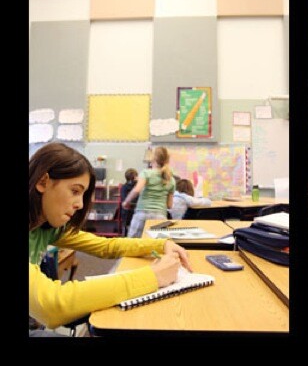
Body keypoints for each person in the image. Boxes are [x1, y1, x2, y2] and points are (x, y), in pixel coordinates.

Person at [29, 142, 191, 336]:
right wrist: (154, 276)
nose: (80, 204)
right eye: (74, 191)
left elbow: (105, 246)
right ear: (42, 182)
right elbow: (53, 306)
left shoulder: (47, 227)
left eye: (83, 194)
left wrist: (161, 244)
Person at [123, 146, 176, 238]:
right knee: (156, 247)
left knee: (132, 245)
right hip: (160, 217)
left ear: (153, 159)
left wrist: (126, 202)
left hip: (142, 214)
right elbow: (169, 205)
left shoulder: (146, 173)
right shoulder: (171, 179)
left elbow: (137, 189)